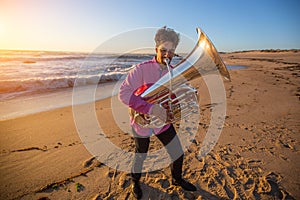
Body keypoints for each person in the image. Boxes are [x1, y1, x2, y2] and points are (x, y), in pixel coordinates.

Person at [118, 26, 196, 199]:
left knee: (177, 152)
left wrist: (185, 99)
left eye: (171, 51)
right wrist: (151, 108)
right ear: (156, 49)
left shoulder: (174, 72)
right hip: (142, 121)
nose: (167, 55)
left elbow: (175, 98)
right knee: (141, 154)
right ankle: (135, 181)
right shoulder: (141, 69)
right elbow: (123, 94)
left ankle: (176, 179)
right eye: (163, 50)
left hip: (162, 122)